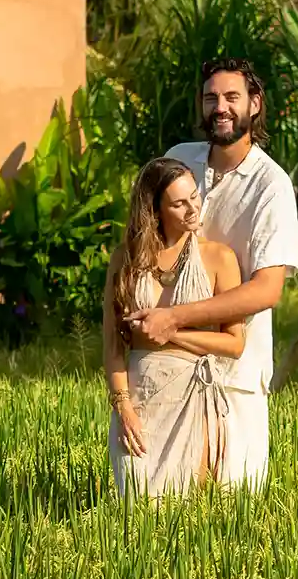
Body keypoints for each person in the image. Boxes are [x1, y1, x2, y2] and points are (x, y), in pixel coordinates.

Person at [126, 58, 298, 489]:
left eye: (231, 97)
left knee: (229, 512)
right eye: (210, 98)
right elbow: (141, 246)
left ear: (255, 105)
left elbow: (267, 289)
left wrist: (175, 318)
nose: (220, 107)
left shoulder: (271, 185)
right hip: (161, 368)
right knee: (152, 507)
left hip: (232, 373)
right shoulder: (177, 161)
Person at [104, 157, 245, 498]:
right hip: (140, 396)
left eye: (195, 197)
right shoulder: (126, 259)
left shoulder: (218, 258)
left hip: (193, 394)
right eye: (179, 203)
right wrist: (123, 407)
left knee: (189, 511)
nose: (192, 209)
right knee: (137, 510)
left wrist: (172, 332)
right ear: (154, 210)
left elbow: (234, 344)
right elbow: (112, 345)